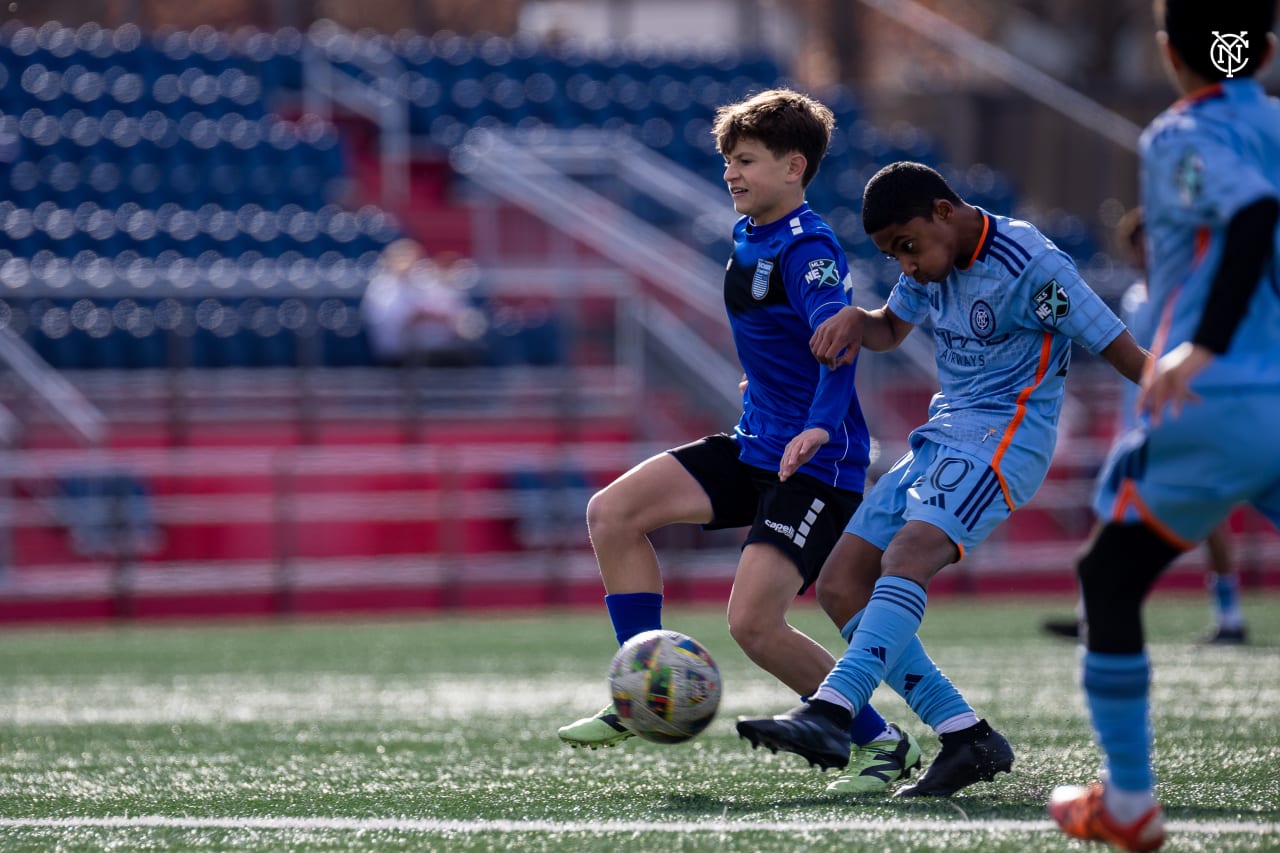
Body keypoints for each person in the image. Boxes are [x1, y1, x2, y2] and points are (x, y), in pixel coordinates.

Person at [557, 88, 932, 795]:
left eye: (748, 160)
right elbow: (779, 339)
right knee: (612, 513)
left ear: (795, 167)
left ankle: (882, 743)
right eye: (728, 159)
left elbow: (840, 341)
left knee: (754, 626)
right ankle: (640, 683)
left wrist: (820, 423)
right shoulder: (748, 233)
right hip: (756, 440)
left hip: (817, 465)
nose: (732, 172)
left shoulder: (808, 247)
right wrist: (759, 383)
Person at [734, 161, 1150, 797]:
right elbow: (890, 327)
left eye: (908, 246)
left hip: (1005, 439)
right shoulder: (928, 260)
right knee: (843, 583)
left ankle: (831, 711)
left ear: (944, 212)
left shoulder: (1032, 265)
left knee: (909, 553)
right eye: (891, 253)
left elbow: (1126, 354)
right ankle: (966, 738)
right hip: (942, 435)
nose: (906, 264)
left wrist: (1207, 407)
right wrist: (854, 320)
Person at [1048, 2, 1280, 850]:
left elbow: (1251, 214)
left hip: (1222, 398)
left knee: (1109, 576)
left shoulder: (1181, 134)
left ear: (1167, 50)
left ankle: (1132, 802)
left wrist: (1203, 347)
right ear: (1269, 48)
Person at [1041, 207, 1250, 645]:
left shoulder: (1194, 291)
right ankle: (1091, 616)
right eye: (1139, 244)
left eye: (1153, 242)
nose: (1146, 251)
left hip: (1188, 419)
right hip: (1141, 425)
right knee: (1109, 512)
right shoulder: (1136, 297)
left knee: (1209, 518)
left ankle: (1230, 617)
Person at [360, 239, 487, 368]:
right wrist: (427, 317)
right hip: (395, 357)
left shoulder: (417, 284)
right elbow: (398, 322)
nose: (412, 263)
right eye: (405, 258)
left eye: (416, 258)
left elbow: (449, 312)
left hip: (424, 354)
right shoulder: (382, 287)